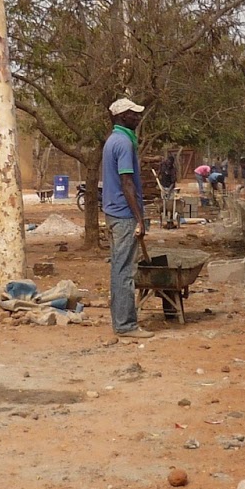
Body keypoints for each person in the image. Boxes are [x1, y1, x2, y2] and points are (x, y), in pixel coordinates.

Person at [102, 97, 152, 340]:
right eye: (133, 114)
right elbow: (127, 182)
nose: (138, 117)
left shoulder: (114, 139)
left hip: (113, 211)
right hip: (123, 214)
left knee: (118, 267)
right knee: (124, 271)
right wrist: (139, 219)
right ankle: (125, 325)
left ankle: (120, 320)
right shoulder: (123, 143)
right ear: (122, 117)